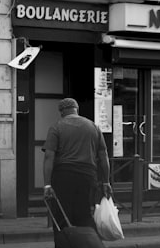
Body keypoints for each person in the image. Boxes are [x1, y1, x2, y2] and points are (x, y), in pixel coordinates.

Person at [43, 98, 112, 230]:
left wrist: (47, 185)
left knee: (62, 216)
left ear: (62, 112)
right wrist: (106, 182)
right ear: (77, 109)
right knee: (84, 215)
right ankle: (86, 246)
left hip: (63, 175)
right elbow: (103, 156)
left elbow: (48, 157)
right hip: (87, 175)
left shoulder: (56, 127)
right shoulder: (93, 127)